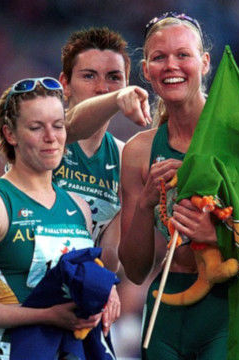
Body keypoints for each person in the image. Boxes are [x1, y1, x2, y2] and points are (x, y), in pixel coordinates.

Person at [0, 77, 117, 359]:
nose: (51, 137)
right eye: (36, 128)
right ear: (10, 134)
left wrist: (105, 293)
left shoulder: (79, 207)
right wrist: (46, 315)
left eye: (58, 126)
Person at [117, 13, 229, 359]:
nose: (171, 65)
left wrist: (217, 236)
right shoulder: (138, 152)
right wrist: (145, 203)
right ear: (147, 70)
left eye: (183, 55)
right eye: (159, 57)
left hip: (228, 307)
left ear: (204, 62)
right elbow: (135, 271)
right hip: (166, 312)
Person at [54, 27, 151, 277]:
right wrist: (116, 98)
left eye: (113, 78)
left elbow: (110, 262)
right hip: (24, 297)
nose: (102, 88)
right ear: (65, 84)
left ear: (127, 85)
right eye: (89, 76)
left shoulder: (123, 157)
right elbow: (73, 125)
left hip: (78, 301)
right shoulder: (46, 134)